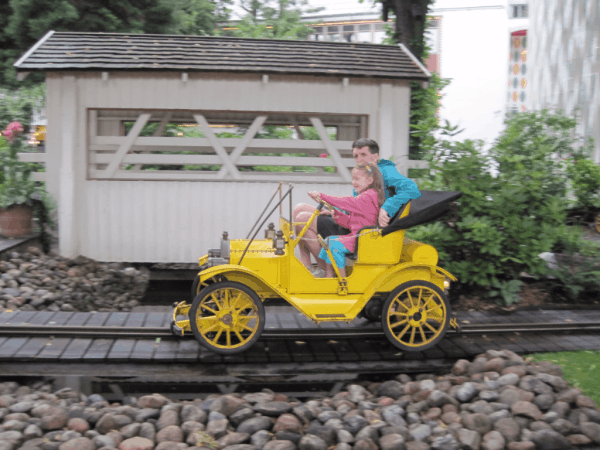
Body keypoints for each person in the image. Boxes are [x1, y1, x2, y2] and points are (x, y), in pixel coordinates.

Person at [293, 138, 421, 276]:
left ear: (375, 156)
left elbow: (412, 190)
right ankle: (307, 266)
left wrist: (387, 208)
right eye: (356, 155)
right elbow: (356, 206)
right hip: (354, 222)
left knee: (302, 218)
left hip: (366, 230)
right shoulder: (363, 174)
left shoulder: (384, 172)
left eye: (363, 155)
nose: (359, 159)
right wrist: (334, 212)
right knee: (299, 209)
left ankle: (324, 269)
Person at [306, 164, 385, 277]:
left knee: (335, 246)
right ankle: (330, 276)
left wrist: (322, 196)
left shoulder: (369, 196)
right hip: (357, 237)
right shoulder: (365, 196)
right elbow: (350, 223)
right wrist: (337, 214)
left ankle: (342, 281)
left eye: (357, 179)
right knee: (328, 241)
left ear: (370, 180)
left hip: (363, 240)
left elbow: (347, 202)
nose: (353, 182)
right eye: (353, 179)